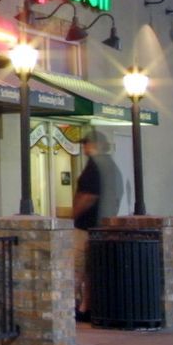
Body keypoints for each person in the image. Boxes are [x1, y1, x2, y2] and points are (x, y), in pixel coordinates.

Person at [70, 132, 119, 318]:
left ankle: (73, 308)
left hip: (86, 227)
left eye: (87, 144)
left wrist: (71, 217)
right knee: (92, 270)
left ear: (97, 144)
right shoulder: (110, 166)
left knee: (75, 268)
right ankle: (87, 306)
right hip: (101, 227)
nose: (85, 148)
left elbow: (89, 196)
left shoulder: (95, 166)